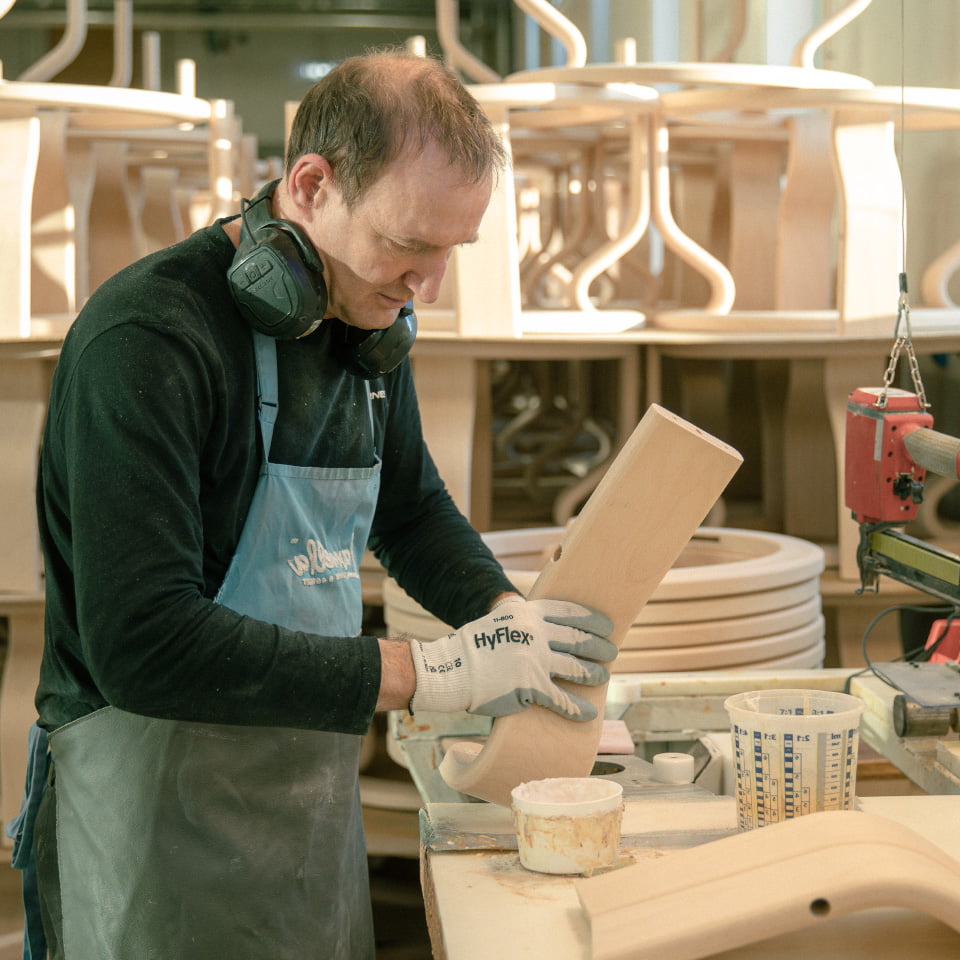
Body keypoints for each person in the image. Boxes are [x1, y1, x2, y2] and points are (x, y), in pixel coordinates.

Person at [19, 49, 616, 959]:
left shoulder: (366, 326)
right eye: (409, 244)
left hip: (303, 814)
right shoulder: (149, 338)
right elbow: (143, 643)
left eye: (451, 251)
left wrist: (502, 617)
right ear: (311, 185)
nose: (428, 287)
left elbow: (410, 510)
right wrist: (433, 674)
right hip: (148, 825)